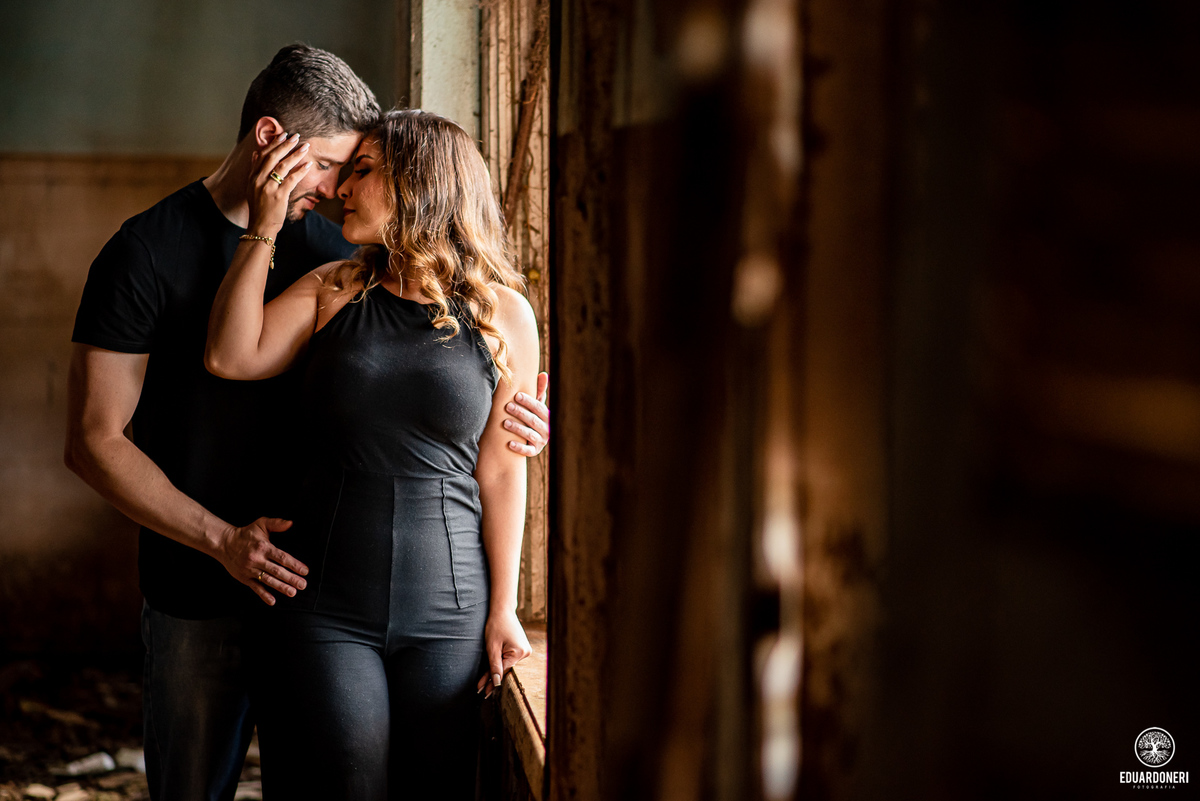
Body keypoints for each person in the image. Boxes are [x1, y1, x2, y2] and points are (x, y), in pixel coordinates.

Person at [64, 46, 550, 801]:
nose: (336, 190)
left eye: (359, 169)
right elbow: (103, 435)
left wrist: (531, 425)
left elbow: (487, 447)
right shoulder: (153, 254)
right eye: (333, 166)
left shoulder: (365, 254)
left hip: (355, 577)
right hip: (214, 576)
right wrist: (222, 540)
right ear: (270, 144)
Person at [204, 108, 536, 799]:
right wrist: (262, 227)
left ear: (419, 180)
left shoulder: (503, 311)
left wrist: (503, 606)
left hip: (450, 609)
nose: (340, 190)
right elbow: (229, 355)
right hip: (323, 602)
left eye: (362, 170)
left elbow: (503, 466)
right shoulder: (335, 287)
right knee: (346, 784)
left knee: (433, 789)